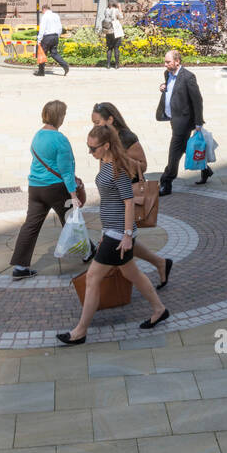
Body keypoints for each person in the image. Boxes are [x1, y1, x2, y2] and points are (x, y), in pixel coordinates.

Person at [56, 125, 169, 344]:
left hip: (119, 234)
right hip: (113, 231)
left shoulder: (117, 168)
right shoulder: (106, 163)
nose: (90, 152)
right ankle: (159, 309)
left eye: (93, 148)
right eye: (88, 148)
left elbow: (128, 203)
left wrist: (127, 235)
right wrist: (107, 231)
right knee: (132, 274)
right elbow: (112, 201)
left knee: (92, 278)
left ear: (106, 145)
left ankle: (80, 331)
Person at [92, 101, 172, 289]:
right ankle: (160, 263)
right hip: (113, 195)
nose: (95, 126)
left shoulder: (127, 137)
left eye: (98, 122)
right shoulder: (103, 139)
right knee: (125, 241)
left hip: (126, 194)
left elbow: (142, 166)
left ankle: (142, 289)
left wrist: (119, 157)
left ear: (110, 119)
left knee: (123, 239)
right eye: (94, 123)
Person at [10, 100, 83, 278]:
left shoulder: (37, 135)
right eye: (64, 114)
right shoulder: (60, 139)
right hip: (55, 188)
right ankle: (88, 252)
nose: (64, 117)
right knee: (72, 221)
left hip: (35, 188)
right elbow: (66, 171)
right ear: (59, 116)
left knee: (31, 225)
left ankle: (20, 266)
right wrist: (73, 195)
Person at [156, 48, 208, 195]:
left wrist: (198, 123)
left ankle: (166, 181)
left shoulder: (188, 77)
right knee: (186, 148)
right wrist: (163, 87)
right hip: (173, 118)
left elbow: (197, 101)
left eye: (168, 62)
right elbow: (171, 89)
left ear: (177, 62)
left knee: (174, 152)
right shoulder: (168, 74)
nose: (165, 65)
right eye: (165, 62)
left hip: (184, 121)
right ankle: (206, 169)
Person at [34, 3, 69, 77]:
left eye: (42, 11)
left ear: (44, 9)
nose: (42, 13)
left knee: (42, 53)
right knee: (54, 53)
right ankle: (65, 65)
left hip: (47, 37)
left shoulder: (45, 16)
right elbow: (60, 27)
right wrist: (57, 36)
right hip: (55, 36)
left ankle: (41, 72)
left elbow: (42, 29)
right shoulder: (56, 15)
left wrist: (39, 39)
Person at [102, 1, 124, 69]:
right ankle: (116, 65)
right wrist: (120, 8)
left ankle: (108, 65)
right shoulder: (116, 10)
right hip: (115, 31)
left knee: (109, 48)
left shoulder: (106, 10)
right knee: (116, 48)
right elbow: (121, 17)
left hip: (108, 31)